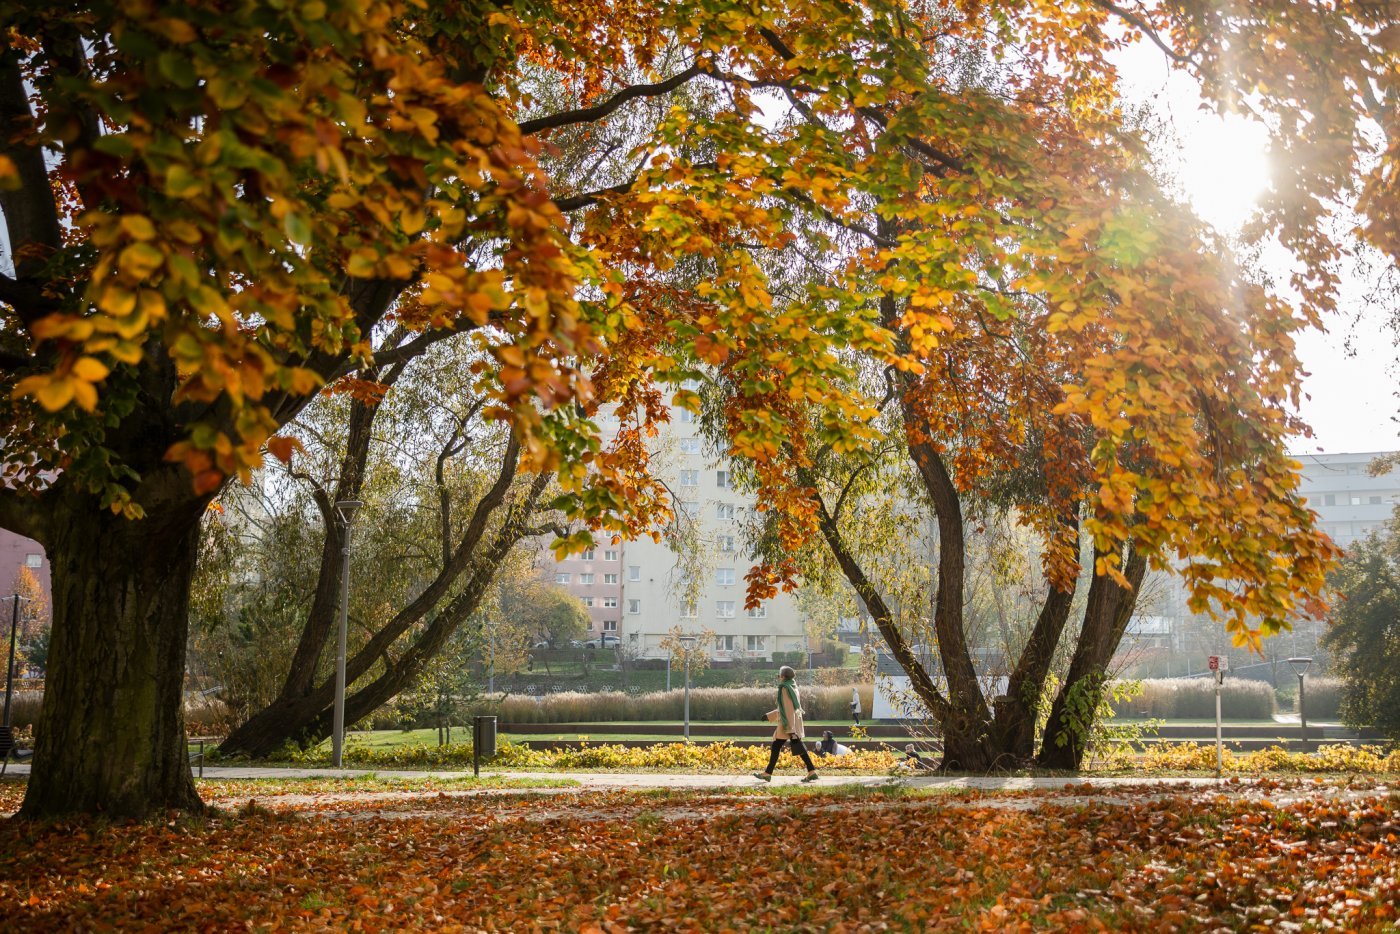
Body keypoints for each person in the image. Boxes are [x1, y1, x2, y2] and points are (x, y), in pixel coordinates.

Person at [754, 666, 819, 783]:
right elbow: (786, 708)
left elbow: (787, 709)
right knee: (798, 747)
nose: (779, 677)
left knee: (777, 746)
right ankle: (811, 771)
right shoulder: (793, 686)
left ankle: (768, 773)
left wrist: (790, 728)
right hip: (792, 722)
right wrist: (770, 716)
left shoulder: (784, 688)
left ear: (783, 676)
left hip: (788, 724)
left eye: (779, 675)